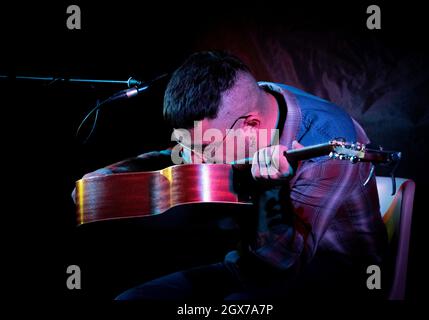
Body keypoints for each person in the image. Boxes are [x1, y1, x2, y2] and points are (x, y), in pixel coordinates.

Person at [77, 51, 388, 300]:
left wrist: (272, 191)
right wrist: (105, 184)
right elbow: (177, 154)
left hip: (331, 274)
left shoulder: (324, 145)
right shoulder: (239, 106)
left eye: (204, 148)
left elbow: (279, 266)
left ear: (250, 126)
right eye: (187, 146)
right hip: (248, 256)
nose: (191, 160)